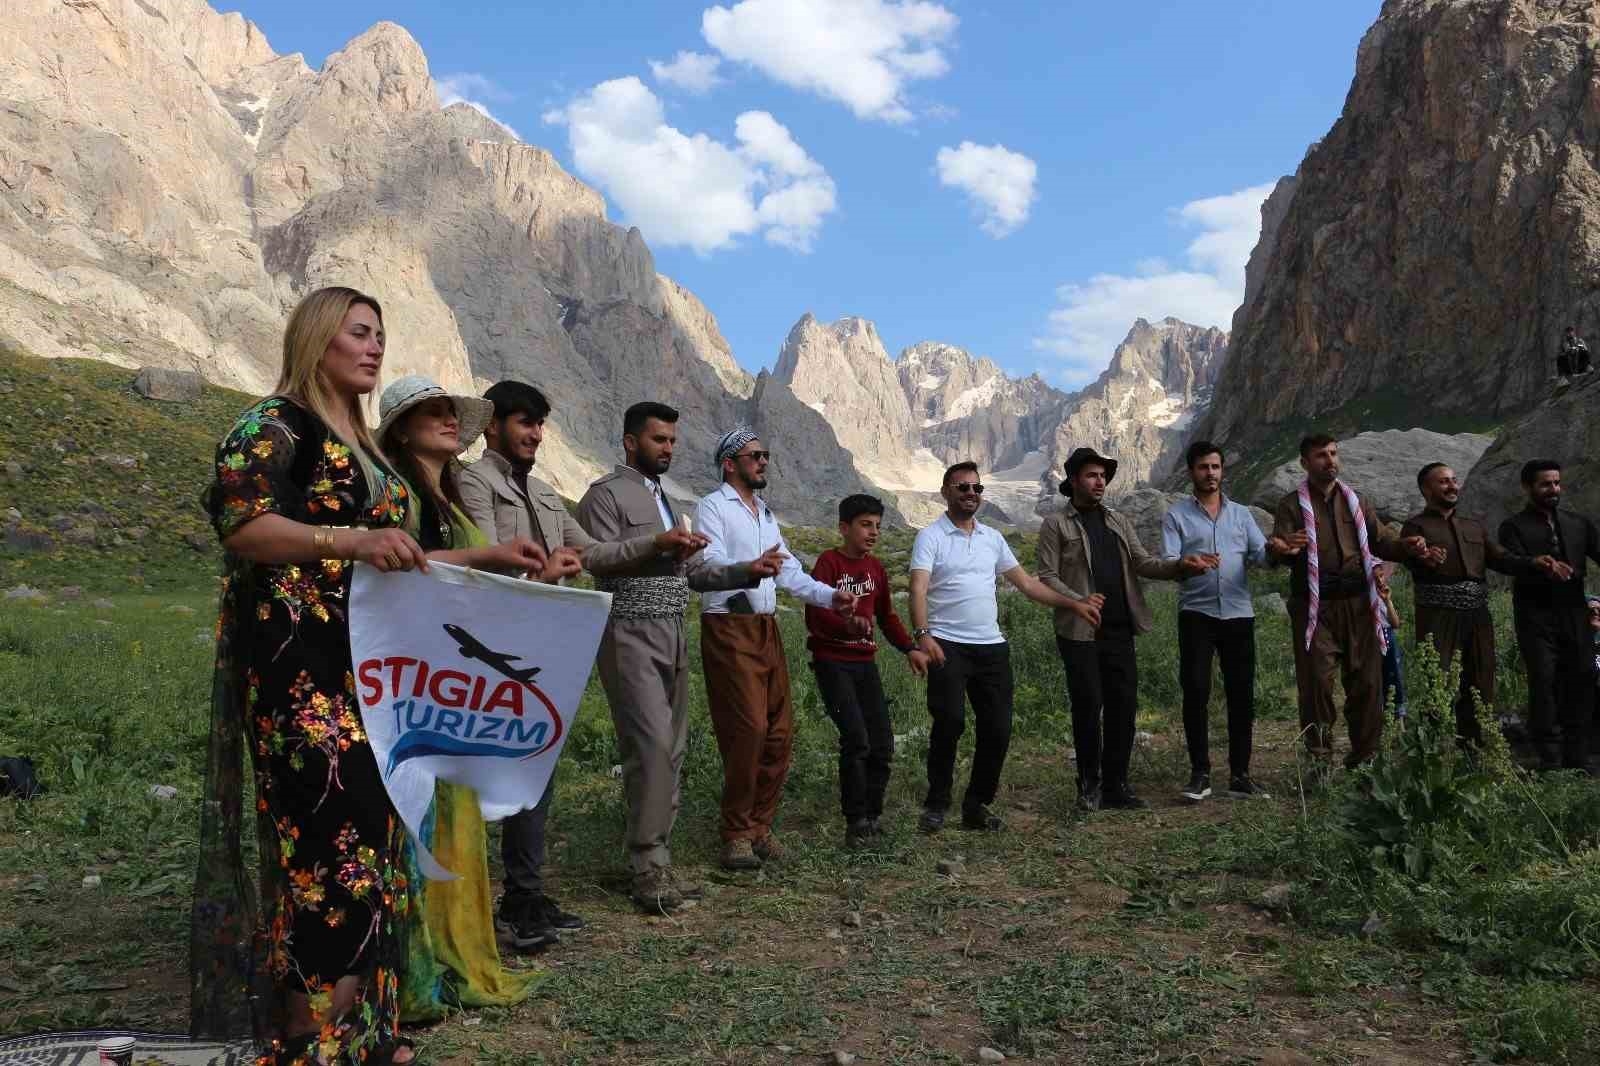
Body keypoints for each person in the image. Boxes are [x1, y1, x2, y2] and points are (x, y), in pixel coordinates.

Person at [192, 287, 469, 1063]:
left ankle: (359, 1031)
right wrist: (347, 540)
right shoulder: (273, 425)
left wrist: (491, 559)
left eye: (380, 334)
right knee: (330, 852)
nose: (375, 346)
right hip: (302, 678)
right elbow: (245, 525)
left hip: (369, 673)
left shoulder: (365, 449)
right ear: (319, 339)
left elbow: (395, 555)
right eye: (359, 332)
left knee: (373, 844)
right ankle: (308, 1040)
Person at [375, 375, 561, 1018]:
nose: (451, 419)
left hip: (453, 676)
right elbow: (404, 570)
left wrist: (534, 569)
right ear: (402, 430)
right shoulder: (398, 493)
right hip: (414, 677)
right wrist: (492, 556)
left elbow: (466, 577)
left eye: (454, 411)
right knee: (420, 803)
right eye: (433, 412)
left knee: (455, 803)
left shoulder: (445, 493)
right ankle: (415, 962)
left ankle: (451, 947)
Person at [457, 381, 653, 949]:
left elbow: (593, 552)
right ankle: (469, 904)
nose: (537, 434)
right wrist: (538, 575)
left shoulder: (544, 492)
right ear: (492, 425)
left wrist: (657, 546)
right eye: (526, 422)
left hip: (542, 645)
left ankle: (523, 895)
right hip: (489, 645)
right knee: (478, 771)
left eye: (541, 424)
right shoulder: (474, 481)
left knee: (534, 765)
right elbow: (481, 560)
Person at [575, 402, 766, 914]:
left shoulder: (669, 500)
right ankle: (648, 866)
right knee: (652, 746)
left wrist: (747, 570)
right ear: (630, 442)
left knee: (673, 749)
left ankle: (657, 858)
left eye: (673, 441)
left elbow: (696, 573)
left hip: (674, 629)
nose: (668, 448)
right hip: (629, 628)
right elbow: (593, 556)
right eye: (658, 439)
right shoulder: (604, 495)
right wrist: (655, 543)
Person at [911, 461, 1104, 832]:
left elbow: (1028, 585)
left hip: (992, 647)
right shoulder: (930, 537)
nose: (971, 494)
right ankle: (936, 804)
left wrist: (1074, 603)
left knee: (998, 729)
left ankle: (977, 806)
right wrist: (923, 634)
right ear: (946, 492)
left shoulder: (992, 538)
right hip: (946, 644)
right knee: (949, 723)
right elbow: (918, 588)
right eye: (962, 487)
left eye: (977, 488)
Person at [695, 427, 856, 870]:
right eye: (754, 455)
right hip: (730, 625)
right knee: (748, 729)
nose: (764, 461)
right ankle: (735, 834)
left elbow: (789, 572)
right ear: (730, 463)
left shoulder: (764, 513)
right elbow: (708, 564)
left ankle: (759, 827)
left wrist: (830, 596)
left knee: (779, 731)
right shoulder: (712, 507)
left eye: (765, 454)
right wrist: (751, 568)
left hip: (766, 628)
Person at [1038, 448, 1214, 812]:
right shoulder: (1056, 524)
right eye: (1092, 475)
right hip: (1080, 631)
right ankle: (1089, 785)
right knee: (1088, 706)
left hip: (1119, 628)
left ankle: (1116, 785)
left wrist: (1180, 566)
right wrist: (1078, 600)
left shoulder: (1117, 520)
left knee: (1123, 706)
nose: (1099, 481)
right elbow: (1047, 576)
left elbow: (1143, 562)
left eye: (1103, 476)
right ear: (1074, 481)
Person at [1268, 434, 1430, 771]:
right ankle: (1320, 762)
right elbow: (1280, 548)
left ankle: (1365, 760)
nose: (1330, 460)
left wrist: (1407, 546)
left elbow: (1382, 541)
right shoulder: (1291, 505)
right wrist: (1282, 548)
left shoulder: (1357, 501)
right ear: (1305, 463)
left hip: (1358, 603)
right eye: (1321, 455)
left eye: (1333, 453)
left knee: (1367, 683)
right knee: (1317, 684)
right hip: (1315, 607)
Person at [805, 494, 931, 848]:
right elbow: (815, 613)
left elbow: (887, 616)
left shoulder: (875, 568)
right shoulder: (829, 563)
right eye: (865, 525)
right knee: (856, 740)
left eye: (877, 525)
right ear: (844, 528)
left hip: (865, 663)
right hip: (832, 662)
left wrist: (910, 648)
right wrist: (848, 626)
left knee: (882, 743)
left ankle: (873, 816)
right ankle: (856, 822)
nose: (873, 532)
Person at [1400, 462, 1556, 745]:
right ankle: (1434, 751)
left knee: (1481, 679)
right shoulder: (1416, 526)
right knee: (1438, 680)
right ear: (1426, 489)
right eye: (1443, 481)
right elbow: (1408, 558)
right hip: (1438, 615)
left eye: (1454, 480)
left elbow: (1501, 559)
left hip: (1478, 614)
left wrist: (1533, 563)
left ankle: (1474, 749)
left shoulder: (1473, 526)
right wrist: (1422, 556)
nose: (1452, 486)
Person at [1159, 441, 1270, 802]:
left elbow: (1261, 554)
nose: (1210, 473)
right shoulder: (1176, 515)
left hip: (1239, 613)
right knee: (1195, 693)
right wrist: (1186, 564)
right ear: (1191, 471)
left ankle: (1240, 775)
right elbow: (1168, 560)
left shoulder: (1241, 514)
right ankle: (1200, 774)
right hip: (1197, 614)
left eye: (1215, 467)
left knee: (1241, 694)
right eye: (1203, 467)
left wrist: (1278, 550)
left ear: (1222, 471)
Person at [1499, 459, 1596, 771]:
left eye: (1556, 483)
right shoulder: (1513, 526)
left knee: (1581, 678)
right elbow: (1508, 561)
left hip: (1575, 612)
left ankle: (1578, 756)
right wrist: (1536, 564)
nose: (1553, 489)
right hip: (1535, 616)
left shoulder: (1578, 523)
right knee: (1544, 681)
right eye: (1545, 484)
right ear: (1527, 487)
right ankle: (1550, 759)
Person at [1374, 563, 1407, 720]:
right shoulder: (1365, 597)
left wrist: (1387, 601)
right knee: (1375, 680)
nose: (1380, 581)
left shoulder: (1383, 596)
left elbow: (1395, 623)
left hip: (1388, 640)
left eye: (1381, 576)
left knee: (1394, 677)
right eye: (1376, 578)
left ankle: (1397, 715)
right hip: (1371, 642)